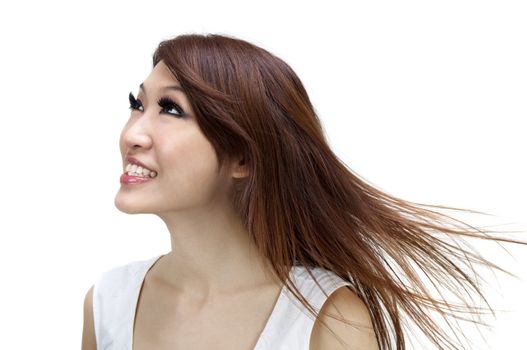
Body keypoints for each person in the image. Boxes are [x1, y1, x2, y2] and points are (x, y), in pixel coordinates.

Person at [81, 33, 524, 350]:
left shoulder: (328, 319)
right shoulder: (109, 302)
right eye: (138, 104)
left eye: (171, 110)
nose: (133, 134)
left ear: (244, 158)